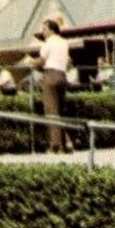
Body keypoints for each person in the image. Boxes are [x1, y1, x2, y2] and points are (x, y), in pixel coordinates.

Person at [29, 19, 71, 153]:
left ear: (51, 30)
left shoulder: (48, 43)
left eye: (45, 29)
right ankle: (66, 144)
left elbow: (41, 61)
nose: (43, 32)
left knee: (51, 112)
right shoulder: (65, 42)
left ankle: (55, 146)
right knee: (61, 111)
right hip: (62, 76)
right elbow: (68, 60)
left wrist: (31, 62)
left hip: (50, 76)